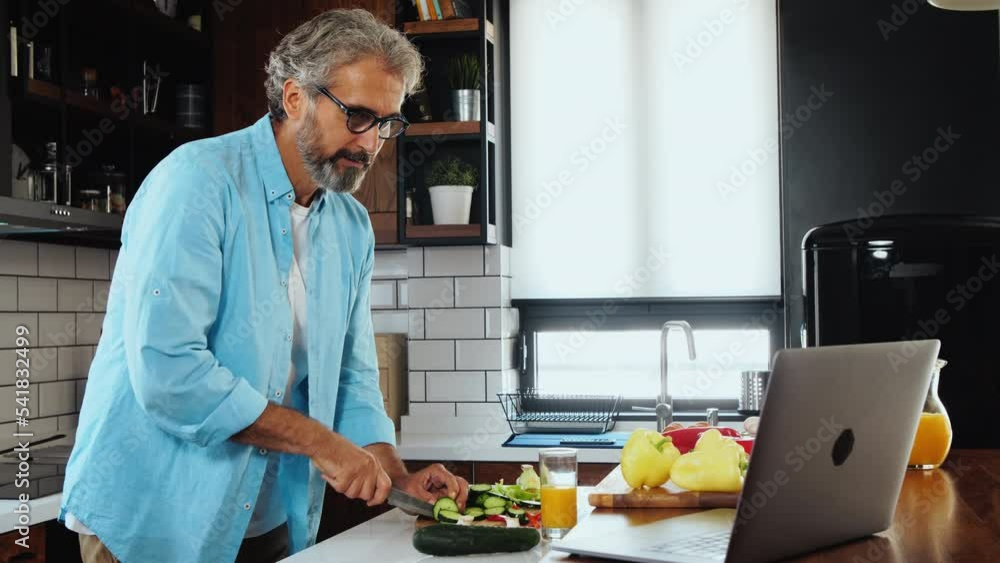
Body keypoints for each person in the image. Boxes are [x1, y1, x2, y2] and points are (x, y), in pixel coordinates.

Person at [60, 10, 469, 563]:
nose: (372, 143)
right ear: (296, 97)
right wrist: (321, 443)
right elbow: (171, 373)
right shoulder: (198, 183)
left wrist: (395, 479)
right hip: (154, 520)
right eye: (358, 116)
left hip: (266, 520)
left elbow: (351, 376)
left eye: (388, 123)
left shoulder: (349, 227)